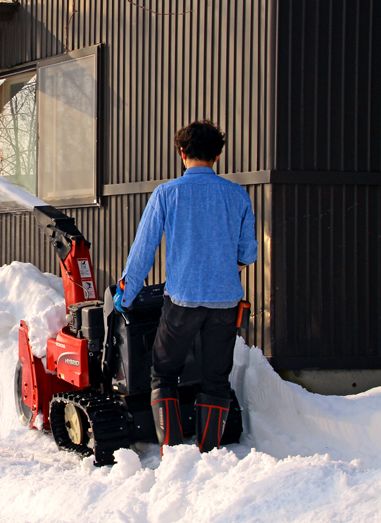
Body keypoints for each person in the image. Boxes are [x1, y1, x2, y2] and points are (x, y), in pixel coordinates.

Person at [113, 120, 257, 453]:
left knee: (163, 373)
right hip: (225, 304)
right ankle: (209, 452)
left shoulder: (167, 193)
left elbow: (143, 250)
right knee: (216, 379)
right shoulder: (237, 195)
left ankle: (174, 452)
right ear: (218, 156)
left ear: (181, 152)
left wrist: (127, 293)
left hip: (182, 303)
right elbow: (247, 252)